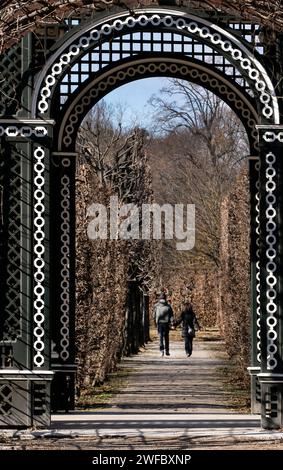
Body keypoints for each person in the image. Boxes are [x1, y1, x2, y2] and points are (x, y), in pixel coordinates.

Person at [153, 292, 174, 357]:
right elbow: (171, 315)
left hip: (159, 323)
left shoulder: (156, 306)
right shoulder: (168, 306)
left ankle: (161, 350)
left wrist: (155, 322)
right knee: (166, 337)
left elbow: (154, 315)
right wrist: (172, 322)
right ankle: (167, 351)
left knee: (161, 337)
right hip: (166, 323)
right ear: (165, 298)